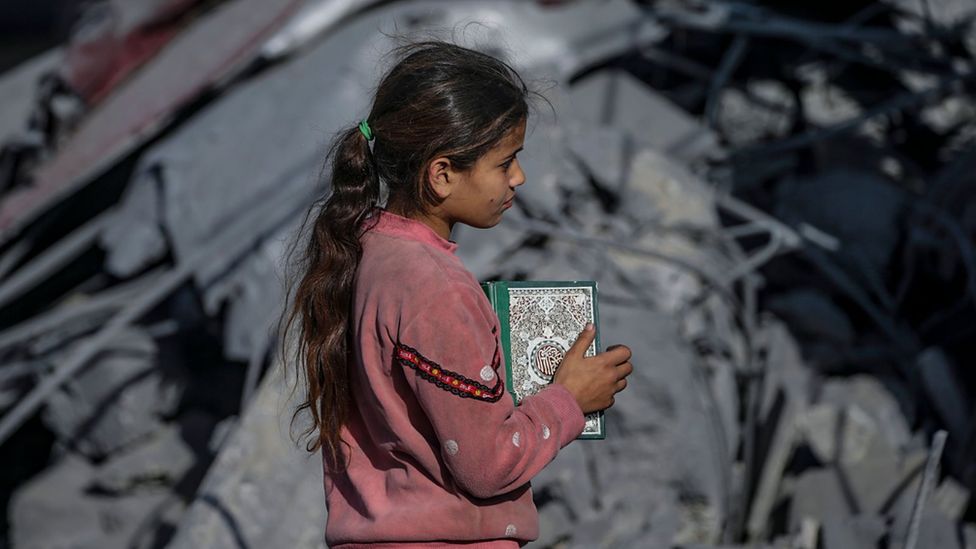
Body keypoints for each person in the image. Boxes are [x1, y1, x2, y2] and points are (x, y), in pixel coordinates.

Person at [279, 41, 634, 548]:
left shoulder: (368, 251)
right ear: (442, 174)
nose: (519, 178)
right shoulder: (436, 289)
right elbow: (488, 465)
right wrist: (569, 399)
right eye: (505, 162)